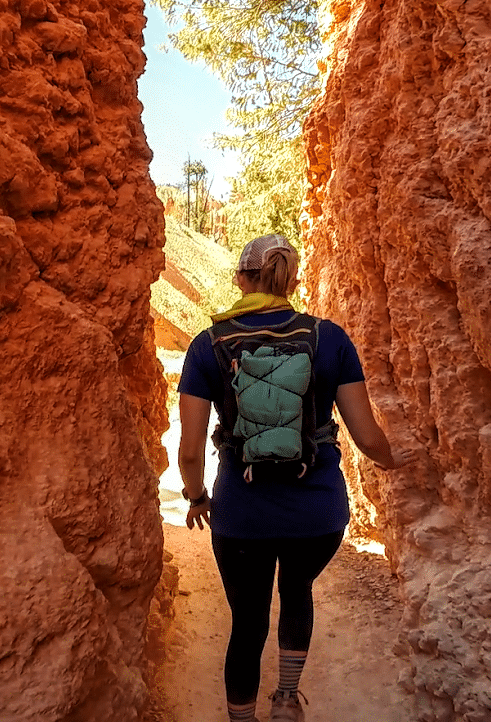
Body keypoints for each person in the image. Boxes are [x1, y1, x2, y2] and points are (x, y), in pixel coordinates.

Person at [176, 233, 417, 722]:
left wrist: (198, 496)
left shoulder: (209, 345)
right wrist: (404, 464)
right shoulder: (329, 338)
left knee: (247, 621)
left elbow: (189, 452)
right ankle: (286, 699)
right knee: (297, 589)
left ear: (242, 279)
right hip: (318, 512)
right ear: (292, 280)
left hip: (242, 515)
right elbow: (368, 436)